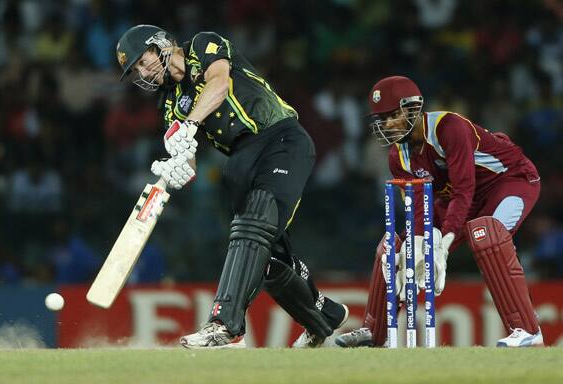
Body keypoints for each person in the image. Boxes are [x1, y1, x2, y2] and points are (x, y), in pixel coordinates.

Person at [115, 25, 348, 349]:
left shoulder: (201, 46)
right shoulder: (171, 105)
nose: (143, 72)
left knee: (251, 228)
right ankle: (324, 318)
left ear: (160, 44)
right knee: (269, 260)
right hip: (240, 163)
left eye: (142, 60)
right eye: (136, 69)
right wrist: (178, 167)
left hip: (280, 138)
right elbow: (188, 157)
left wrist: (190, 125)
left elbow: (219, 84)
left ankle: (224, 325)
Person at [336, 76, 543, 348]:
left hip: (509, 181)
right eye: (381, 119)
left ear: (412, 109)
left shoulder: (449, 127)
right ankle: (374, 332)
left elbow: (464, 189)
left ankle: (527, 330)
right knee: (396, 248)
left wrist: (443, 244)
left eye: (390, 116)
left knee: (486, 234)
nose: (385, 125)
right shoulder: (398, 157)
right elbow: (421, 211)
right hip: (460, 200)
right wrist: (419, 244)